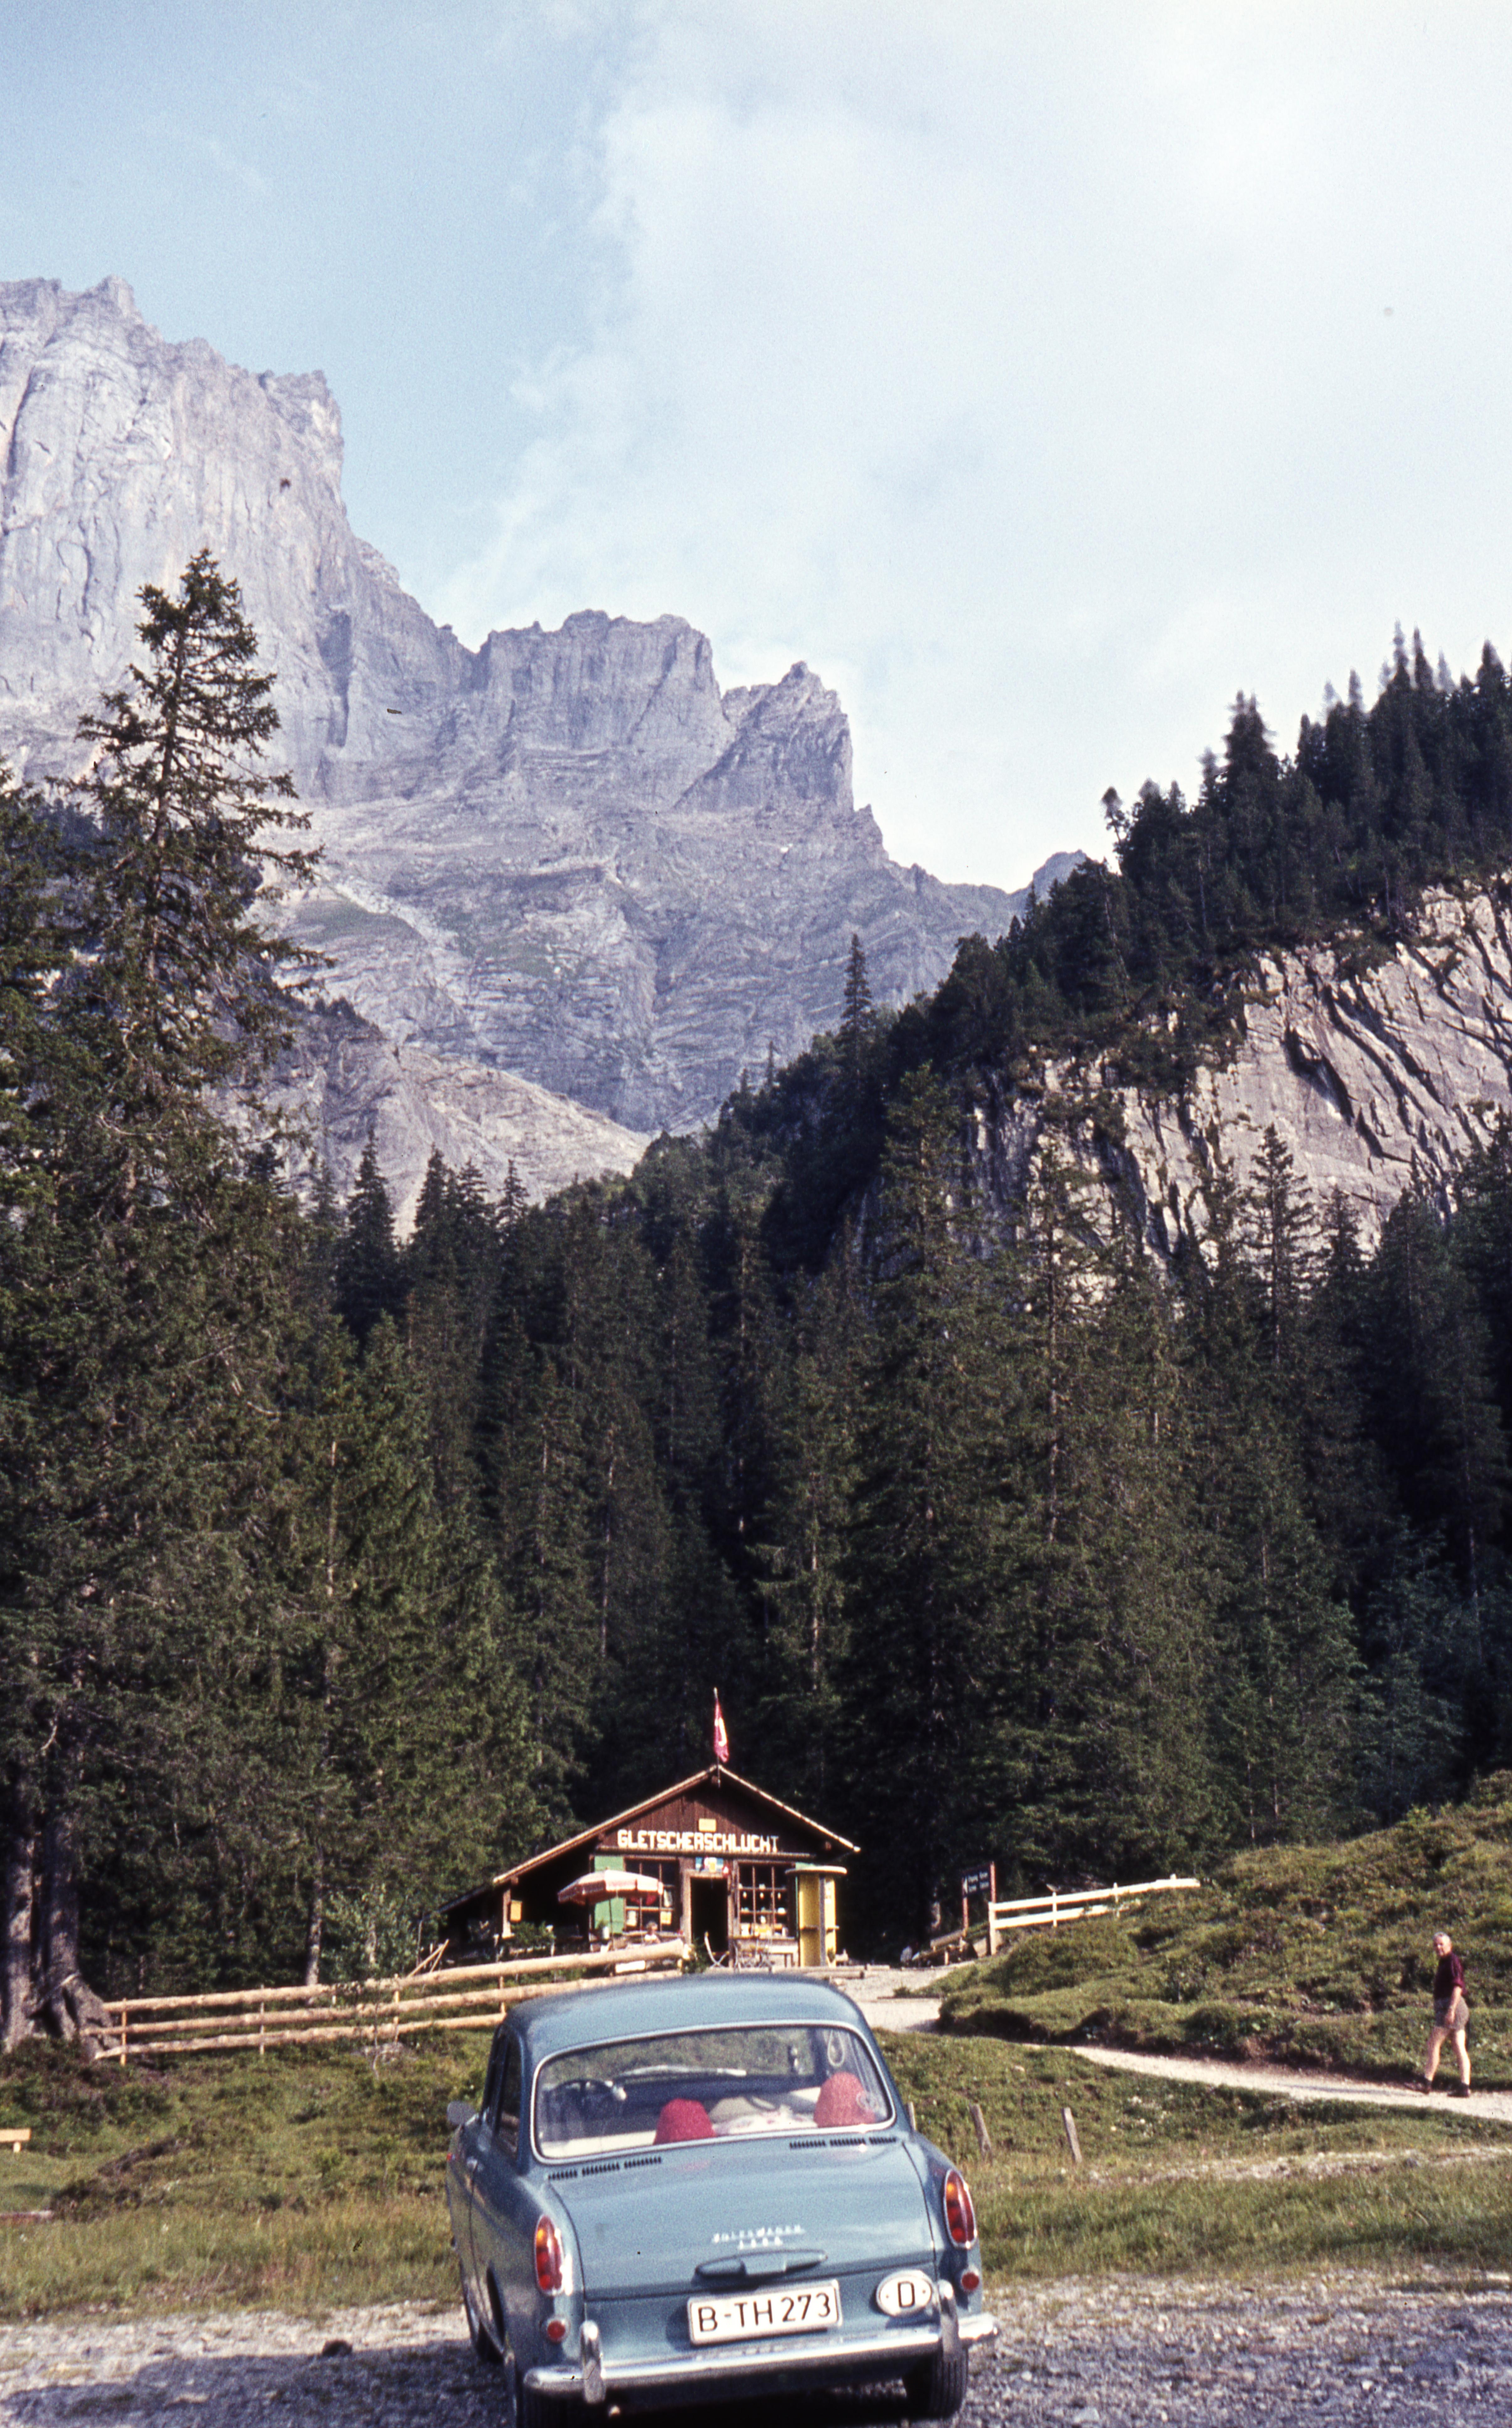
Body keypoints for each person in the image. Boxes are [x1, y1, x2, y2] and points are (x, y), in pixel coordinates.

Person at [1420, 1930, 1470, 2095]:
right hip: (1451, 2008)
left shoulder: (1453, 1962)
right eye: (1436, 1945)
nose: (1438, 1948)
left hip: (1452, 2007)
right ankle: (1464, 2087)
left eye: (1442, 1944)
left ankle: (1427, 2082)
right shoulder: (1444, 1962)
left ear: (1450, 1946)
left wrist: (1451, 2010)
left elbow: (1458, 1987)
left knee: (1434, 2043)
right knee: (1458, 2047)